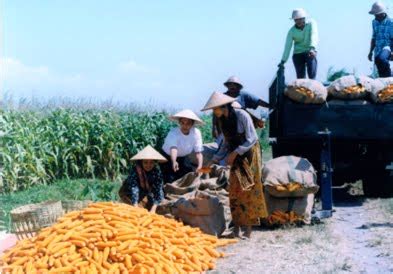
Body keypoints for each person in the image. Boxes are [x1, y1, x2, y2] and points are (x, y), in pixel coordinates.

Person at [202, 91, 268, 239]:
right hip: (236, 153)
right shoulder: (222, 121)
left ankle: (248, 229)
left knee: (248, 188)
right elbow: (225, 144)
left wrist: (235, 153)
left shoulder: (241, 115)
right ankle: (236, 228)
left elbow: (252, 138)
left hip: (249, 152)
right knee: (234, 190)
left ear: (223, 106)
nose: (214, 112)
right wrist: (214, 159)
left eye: (215, 109)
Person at [212, 76, 269, 140]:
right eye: (230, 84)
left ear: (238, 86)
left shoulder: (244, 95)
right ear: (227, 86)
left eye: (234, 84)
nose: (232, 86)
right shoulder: (222, 97)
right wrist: (214, 128)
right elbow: (216, 113)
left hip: (242, 122)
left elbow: (259, 101)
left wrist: (270, 106)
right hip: (227, 125)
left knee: (252, 139)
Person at [119, 145, 166, 213]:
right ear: (141, 162)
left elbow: (158, 190)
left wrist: (154, 208)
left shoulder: (157, 172)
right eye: (145, 162)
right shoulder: (135, 171)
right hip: (130, 192)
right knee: (131, 209)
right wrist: (135, 205)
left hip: (146, 192)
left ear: (154, 163)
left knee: (156, 207)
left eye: (151, 162)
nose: (148, 165)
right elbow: (134, 188)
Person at [161, 109, 204, 183]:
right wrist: (174, 161)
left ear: (192, 124)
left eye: (188, 123)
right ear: (179, 122)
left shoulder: (196, 133)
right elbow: (173, 148)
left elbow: (198, 152)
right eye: (182, 123)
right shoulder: (174, 133)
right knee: (170, 179)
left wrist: (200, 166)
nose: (185, 126)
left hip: (183, 157)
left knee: (188, 176)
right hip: (167, 157)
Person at [279, 8, 318, 79]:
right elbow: (287, 47)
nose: (298, 21)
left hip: (309, 51)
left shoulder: (311, 23)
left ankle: (312, 83)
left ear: (304, 18)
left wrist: (312, 48)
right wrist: (283, 61)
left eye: (300, 19)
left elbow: (314, 35)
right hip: (298, 53)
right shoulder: (291, 31)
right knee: (301, 79)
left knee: (312, 74)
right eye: (296, 20)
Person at [368, 1, 393, 78]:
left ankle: (389, 77)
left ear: (383, 13)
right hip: (378, 49)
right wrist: (370, 52)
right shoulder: (374, 22)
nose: (375, 17)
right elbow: (374, 37)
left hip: (388, 47)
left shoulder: (391, 22)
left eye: (377, 15)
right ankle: (387, 81)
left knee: (381, 59)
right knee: (379, 64)